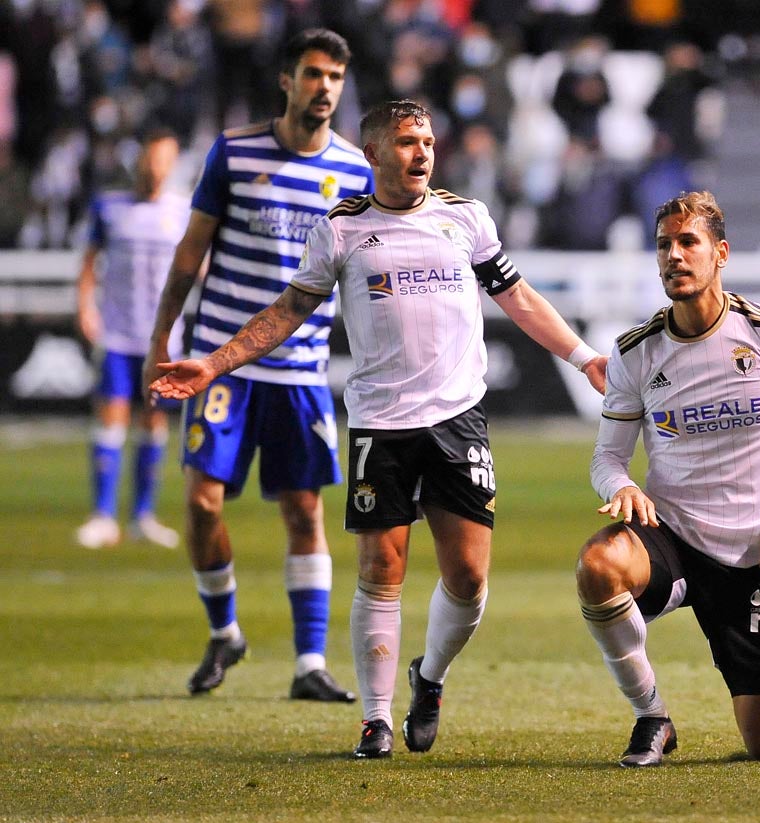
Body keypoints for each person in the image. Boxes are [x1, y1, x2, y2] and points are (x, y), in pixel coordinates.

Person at [149, 99, 609, 759]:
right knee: (379, 567)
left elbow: (519, 297)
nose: (420, 151)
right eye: (404, 141)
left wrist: (581, 354)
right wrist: (214, 363)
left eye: (425, 139)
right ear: (371, 155)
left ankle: (430, 676)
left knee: (470, 579)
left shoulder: (465, 218)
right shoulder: (340, 230)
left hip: (457, 419)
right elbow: (286, 312)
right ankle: (374, 719)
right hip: (379, 424)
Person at [576, 190, 760, 766]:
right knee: (598, 565)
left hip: (753, 554)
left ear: (720, 253)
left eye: (687, 242)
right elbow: (606, 459)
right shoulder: (637, 354)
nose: (673, 256)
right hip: (672, 538)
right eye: (663, 246)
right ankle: (651, 717)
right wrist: (621, 488)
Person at [142, 28, 373, 702]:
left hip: (300, 371)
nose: (323, 87)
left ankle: (308, 663)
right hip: (221, 364)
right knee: (202, 502)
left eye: (334, 76)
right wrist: (165, 337)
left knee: (304, 511)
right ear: (287, 79)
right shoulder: (235, 151)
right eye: (312, 74)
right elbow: (190, 252)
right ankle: (226, 630)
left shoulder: (356, 171)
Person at [75, 128, 189, 550]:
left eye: (165, 160)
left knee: (154, 422)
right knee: (110, 420)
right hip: (119, 334)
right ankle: (103, 516)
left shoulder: (183, 210)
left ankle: (143, 516)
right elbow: (88, 263)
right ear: (139, 159)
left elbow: (200, 265)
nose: (157, 168)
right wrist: (86, 307)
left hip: (162, 340)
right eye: (152, 159)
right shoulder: (109, 206)